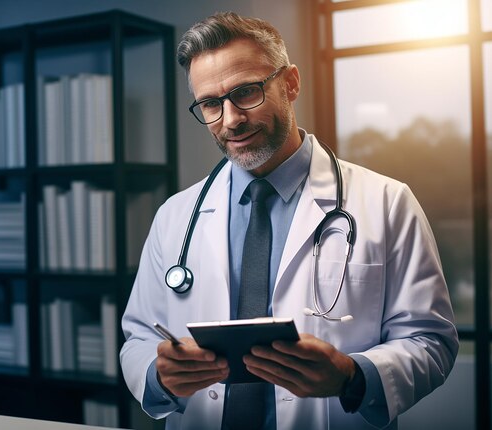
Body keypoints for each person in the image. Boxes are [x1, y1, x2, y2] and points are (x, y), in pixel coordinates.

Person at [120, 11, 458, 430]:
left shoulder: (387, 203)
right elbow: (138, 338)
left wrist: (353, 376)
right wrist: (159, 376)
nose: (230, 120)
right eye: (210, 103)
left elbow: (432, 341)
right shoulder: (175, 216)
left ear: (291, 83)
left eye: (246, 93)